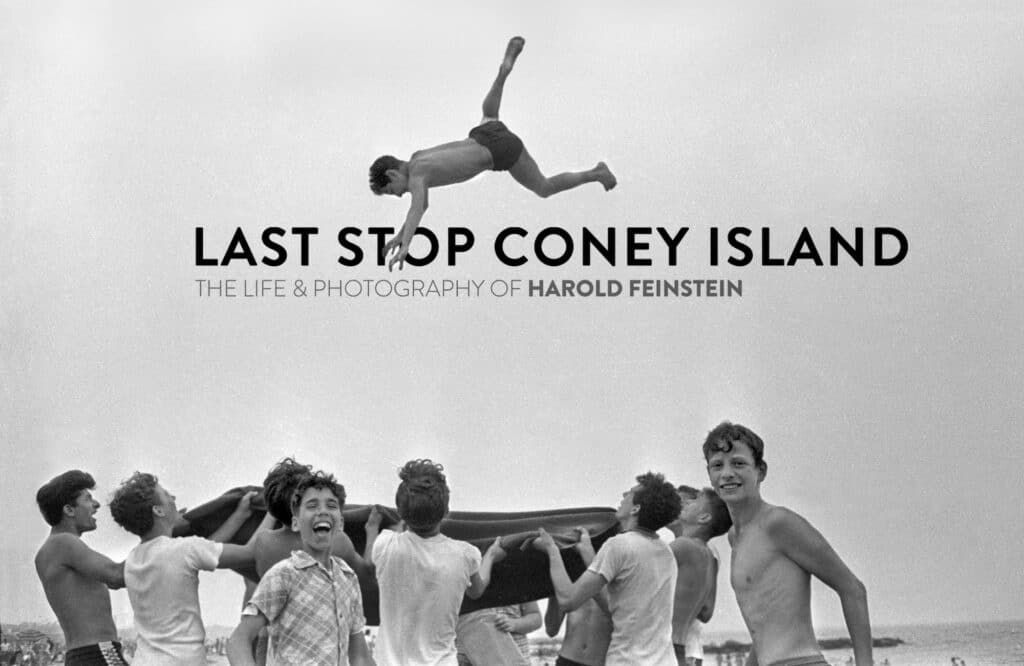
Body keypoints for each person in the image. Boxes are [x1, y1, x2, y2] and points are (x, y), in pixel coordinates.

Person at [370, 36, 618, 270]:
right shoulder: (418, 157)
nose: (400, 194)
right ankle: (503, 73)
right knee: (489, 116)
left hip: (499, 151)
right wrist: (400, 236)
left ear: (392, 174)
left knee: (544, 188)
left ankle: (595, 173)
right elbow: (421, 205)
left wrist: (407, 244)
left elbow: (416, 208)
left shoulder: (417, 176)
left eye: (393, 190)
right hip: (484, 133)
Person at [703, 422, 871, 666]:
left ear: (761, 471)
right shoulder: (735, 537)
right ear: (709, 474)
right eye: (717, 465)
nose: (727, 473)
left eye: (738, 463)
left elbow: (853, 589)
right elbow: (765, 628)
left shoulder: (778, 523)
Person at [109, 472, 267, 666]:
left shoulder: (134, 558)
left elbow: (208, 547)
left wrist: (239, 515)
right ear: (158, 511)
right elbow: (250, 552)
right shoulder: (184, 550)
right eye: (167, 495)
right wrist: (273, 512)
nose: (173, 498)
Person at [227, 470, 375, 666]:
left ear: (341, 522)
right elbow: (237, 641)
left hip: (268, 638)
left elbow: (360, 656)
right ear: (296, 521)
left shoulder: (348, 578)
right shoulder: (282, 574)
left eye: (331, 505)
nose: (322, 511)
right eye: (312, 505)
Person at [535, 472, 681, 666]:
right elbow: (620, 607)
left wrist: (552, 549)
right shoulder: (666, 553)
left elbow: (568, 600)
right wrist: (588, 554)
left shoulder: (619, 545)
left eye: (629, 493)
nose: (623, 495)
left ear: (636, 508)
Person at [369, 459, 506, 665]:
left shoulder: (385, 545)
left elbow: (393, 532)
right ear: (446, 511)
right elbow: (476, 590)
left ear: (401, 511)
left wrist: (372, 527)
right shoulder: (466, 555)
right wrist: (491, 557)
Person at [34, 471, 128, 665]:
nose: (96, 505)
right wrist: (162, 536)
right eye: (88, 498)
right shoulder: (64, 543)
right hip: (101, 652)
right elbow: (117, 575)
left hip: (80, 655)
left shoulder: (50, 550)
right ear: (69, 510)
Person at [668, 486, 731, 666]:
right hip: (682, 647)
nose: (677, 507)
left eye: (689, 502)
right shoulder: (699, 549)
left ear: (703, 517)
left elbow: (706, 611)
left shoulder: (692, 549)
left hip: (680, 648)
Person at [543, 528, 612, 666]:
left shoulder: (618, 582)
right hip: (567, 660)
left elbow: (617, 615)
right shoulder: (572, 576)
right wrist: (556, 590)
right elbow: (551, 630)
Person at [455, 601, 541, 666]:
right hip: (471, 658)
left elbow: (536, 617)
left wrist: (515, 624)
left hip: (516, 659)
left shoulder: (519, 581)